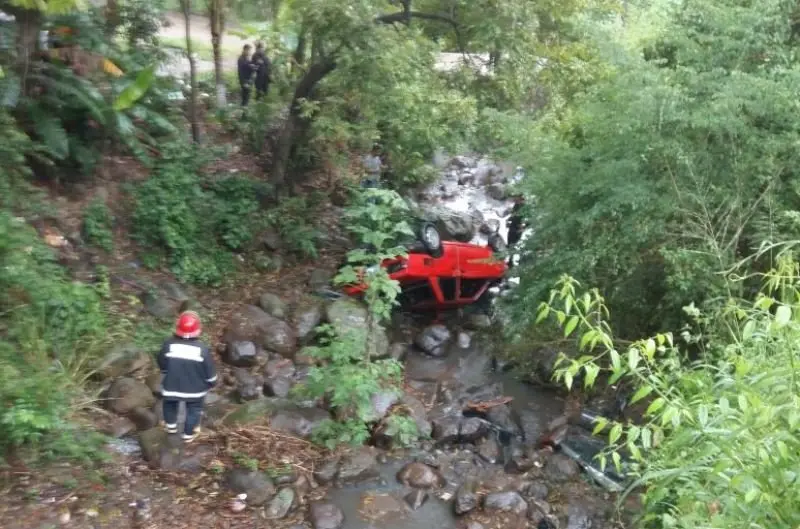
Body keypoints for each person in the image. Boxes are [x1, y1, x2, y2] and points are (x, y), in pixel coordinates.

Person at [157, 311, 217, 443]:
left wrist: (166, 371)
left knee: (169, 405)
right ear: (198, 330)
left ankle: (171, 427)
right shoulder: (202, 349)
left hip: (172, 385)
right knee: (194, 410)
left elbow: (162, 362)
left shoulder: (169, 344)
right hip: (195, 390)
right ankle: (188, 434)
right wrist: (212, 382)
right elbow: (209, 369)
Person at [506, 196, 526, 268]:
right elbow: (513, 215)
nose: (514, 200)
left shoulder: (526, 209)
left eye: (516, 199)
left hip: (518, 229)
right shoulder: (516, 205)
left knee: (513, 245)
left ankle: (511, 262)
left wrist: (523, 227)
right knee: (509, 244)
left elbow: (529, 221)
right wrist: (508, 220)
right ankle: (509, 259)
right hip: (512, 227)